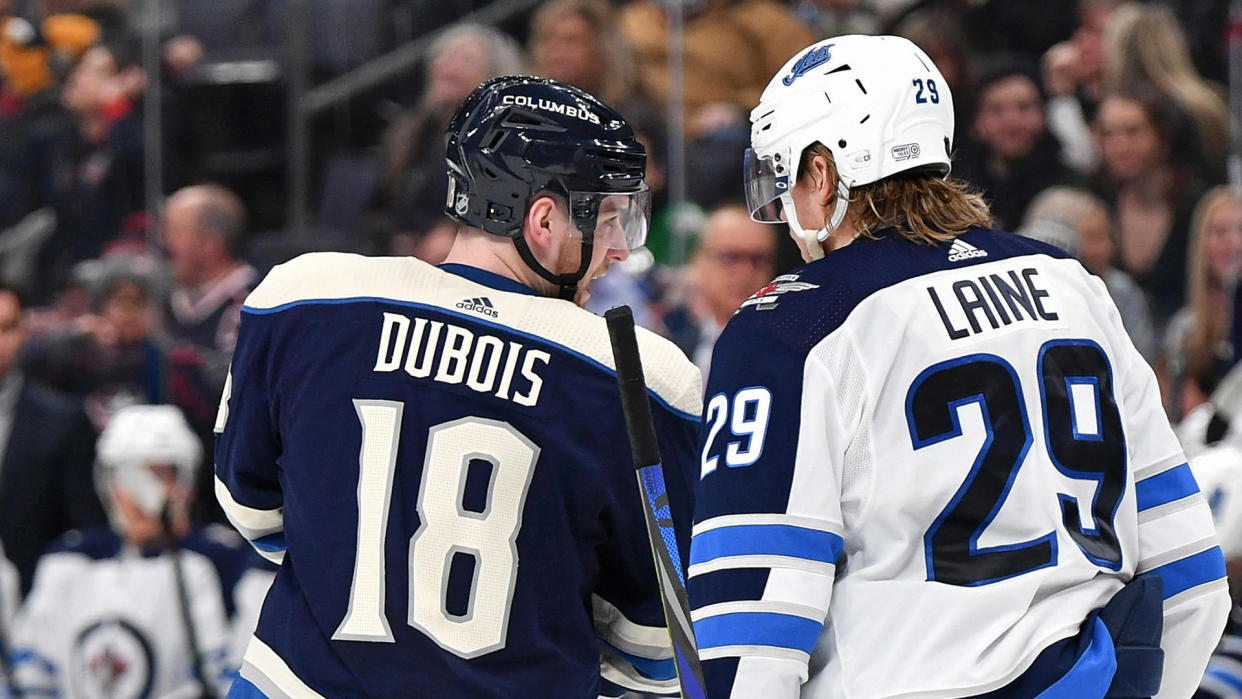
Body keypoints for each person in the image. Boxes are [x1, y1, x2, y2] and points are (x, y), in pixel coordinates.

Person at [690, 35, 1229, 697]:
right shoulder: (1070, 282)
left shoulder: (790, 326)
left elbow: (751, 621)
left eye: (789, 175)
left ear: (824, 172)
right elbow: (1190, 567)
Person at [215, 76, 702, 696]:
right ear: (544, 220)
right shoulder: (637, 375)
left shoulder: (303, 298)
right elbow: (655, 646)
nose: (617, 252)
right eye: (608, 220)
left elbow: (252, 508)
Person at [9, 403, 273, 697]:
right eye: (129, 477)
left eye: (158, 477)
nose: (141, 495)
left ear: (184, 486)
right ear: (108, 483)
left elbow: (235, 676)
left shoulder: (224, 564)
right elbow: (30, 674)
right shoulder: (68, 561)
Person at [0, 283, 105, 594]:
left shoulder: (63, 423)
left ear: (24, 332)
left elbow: (85, 533)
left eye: (6, 328)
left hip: (35, 604)